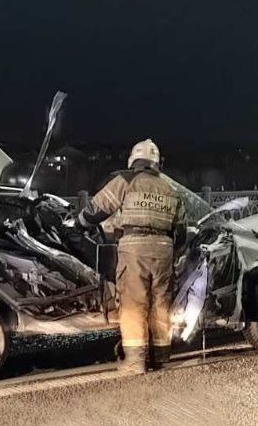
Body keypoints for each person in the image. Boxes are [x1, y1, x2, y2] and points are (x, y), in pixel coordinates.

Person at [77, 139, 185, 374]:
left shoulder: (126, 180)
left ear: (133, 161)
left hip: (134, 250)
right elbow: (182, 231)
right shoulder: (170, 189)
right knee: (160, 304)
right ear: (157, 164)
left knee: (134, 304)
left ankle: (135, 362)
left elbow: (97, 210)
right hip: (164, 251)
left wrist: (79, 223)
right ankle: (161, 357)